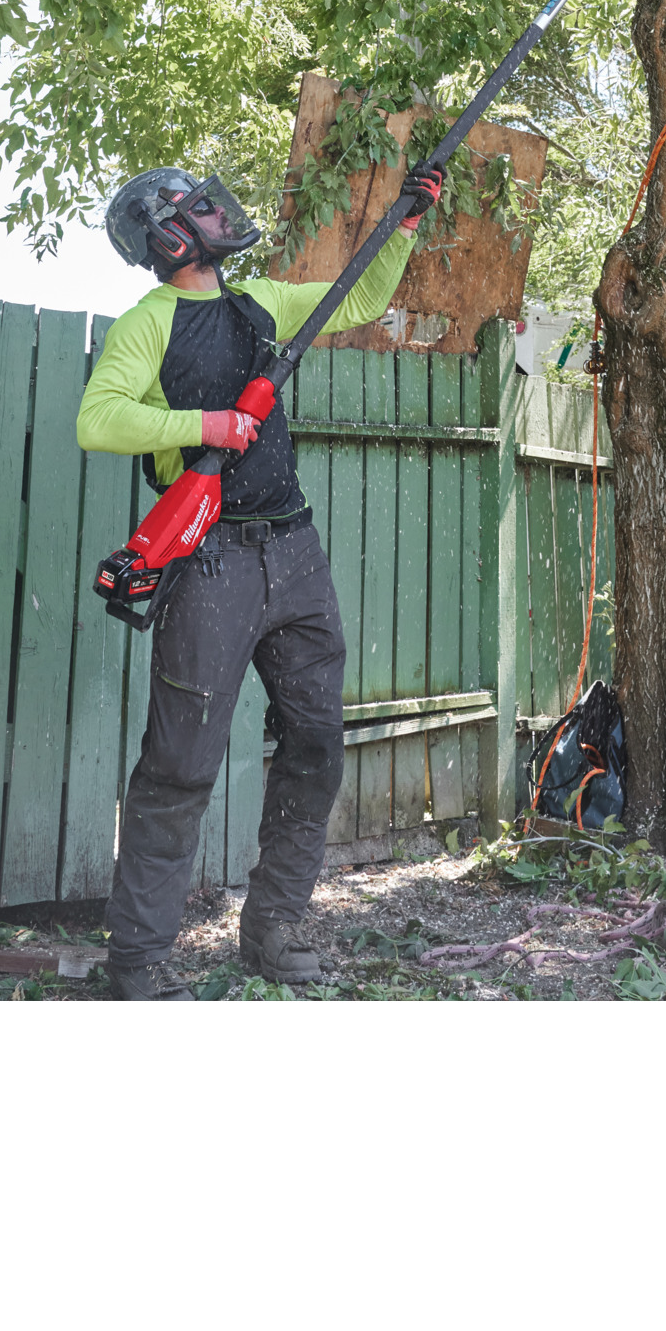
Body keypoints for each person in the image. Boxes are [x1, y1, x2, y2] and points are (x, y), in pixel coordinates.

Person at [76, 159, 443, 999]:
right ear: (169, 237)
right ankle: (138, 961)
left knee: (315, 747)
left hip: (296, 553)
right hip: (210, 562)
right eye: (199, 208)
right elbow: (98, 420)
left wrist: (402, 226)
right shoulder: (147, 325)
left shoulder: (262, 302)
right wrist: (209, 424)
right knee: (179, 766)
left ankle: (274, 928)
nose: (220, 214)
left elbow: (357, 300)